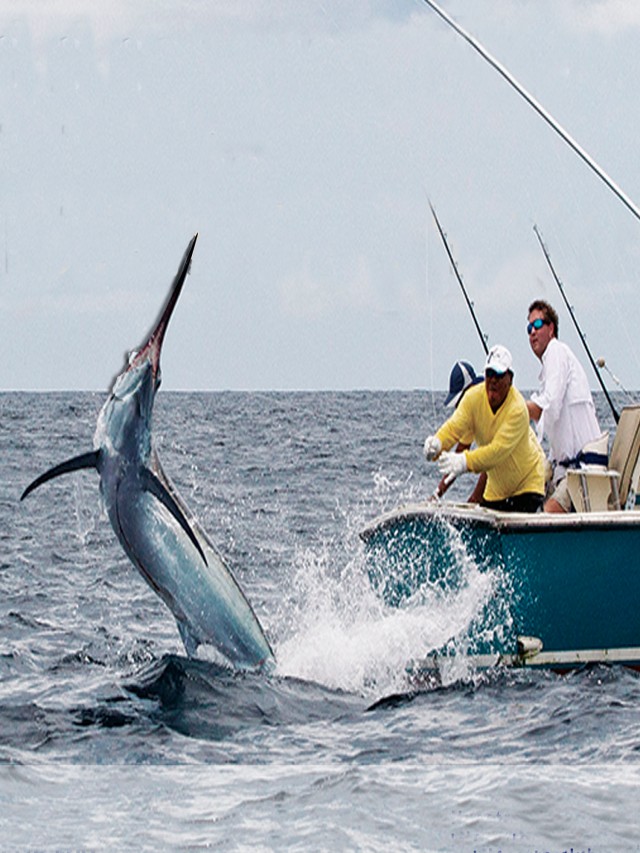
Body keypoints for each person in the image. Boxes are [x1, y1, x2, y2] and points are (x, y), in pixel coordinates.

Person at [424, 344, 545, 512]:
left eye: (498, 374)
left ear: (510, 378)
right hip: (497, 489)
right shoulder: (472, 399)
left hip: (527, 484)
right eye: (489, 374)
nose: (493, 380)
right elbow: (453, 429)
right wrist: (437, 443)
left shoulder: (517, 409)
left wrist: (465, 463)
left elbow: (495, 453)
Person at [525, 300, 602, 513]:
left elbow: (549, 404)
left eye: (538, 324)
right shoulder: (552, 363)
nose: (532, 332)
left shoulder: (556, 351)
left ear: (551, 329)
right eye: (529, 328)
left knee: (549, 511)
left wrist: (516, 409)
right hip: (566, 471)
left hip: (583, 473)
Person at [432, 360, 485, 501]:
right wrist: (436, 495)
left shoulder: (486, 406)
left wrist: (474, 499)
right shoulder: (470, 417)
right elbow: (457, 460)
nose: (458, 408)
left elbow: (491, 461)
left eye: (460, 401)